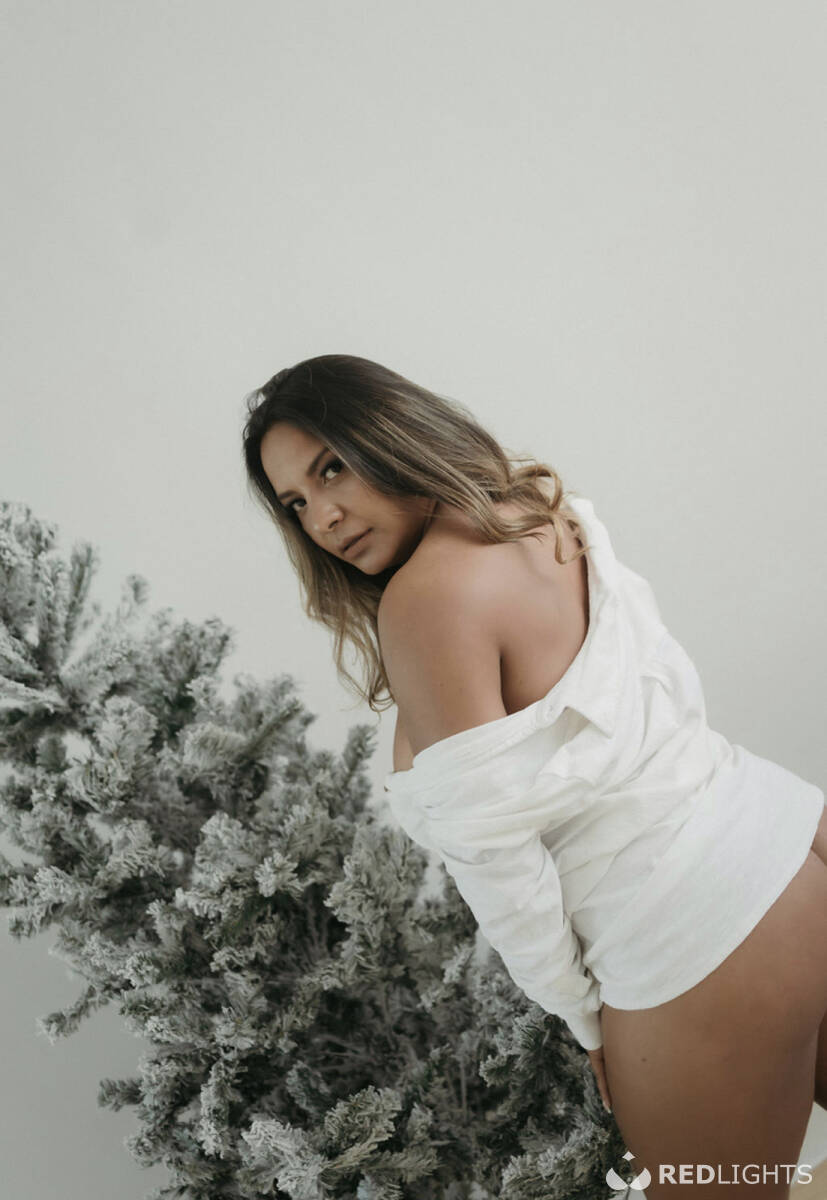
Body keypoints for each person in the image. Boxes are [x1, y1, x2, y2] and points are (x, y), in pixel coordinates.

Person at [242, 353, 827, 1197]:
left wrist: (585, 1022)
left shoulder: (425, 602)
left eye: (331, 468)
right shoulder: (534, 508)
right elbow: (660, 689)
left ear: (389, 434)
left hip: (694, 943)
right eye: (295, 503)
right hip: (785, 842)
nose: (323, 517)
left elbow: (499, 863)